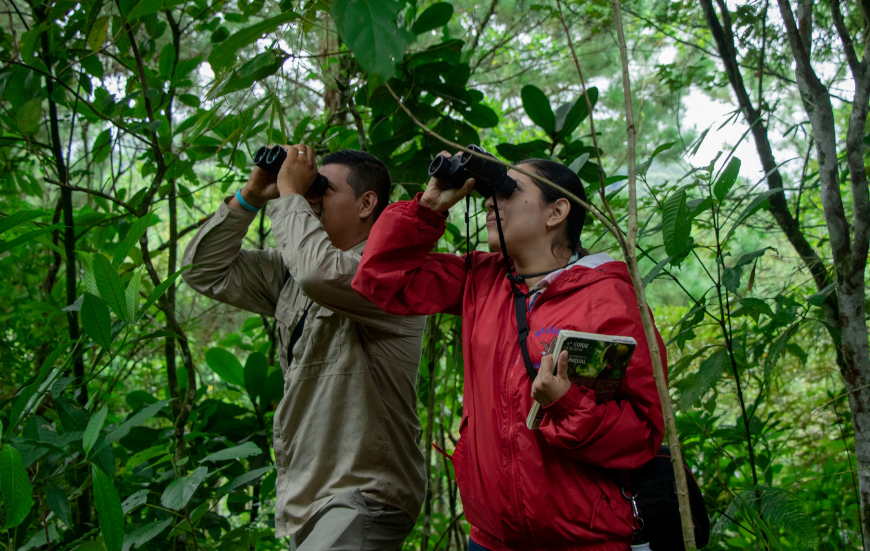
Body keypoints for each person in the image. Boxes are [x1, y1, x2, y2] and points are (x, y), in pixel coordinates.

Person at [352, 153, 667, 551]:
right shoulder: (480, 279)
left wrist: (566, 404)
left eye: (507, 191)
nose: (488, 201)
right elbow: (379, 278)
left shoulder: (609, 298)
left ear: (557, 212)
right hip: (489, 538)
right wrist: (428, 207)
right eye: (490, 192)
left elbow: (641, 433)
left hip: (582, 540)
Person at [182, 145, 427, 550]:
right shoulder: (291, 272)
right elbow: (201, 271)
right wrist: (252, 195)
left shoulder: (392, 274)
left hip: (364, 495)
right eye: (309, 189)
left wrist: (292, 193)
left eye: (322, 190)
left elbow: (318, 273)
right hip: (311, 499)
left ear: (367, 203)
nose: (310, 198)